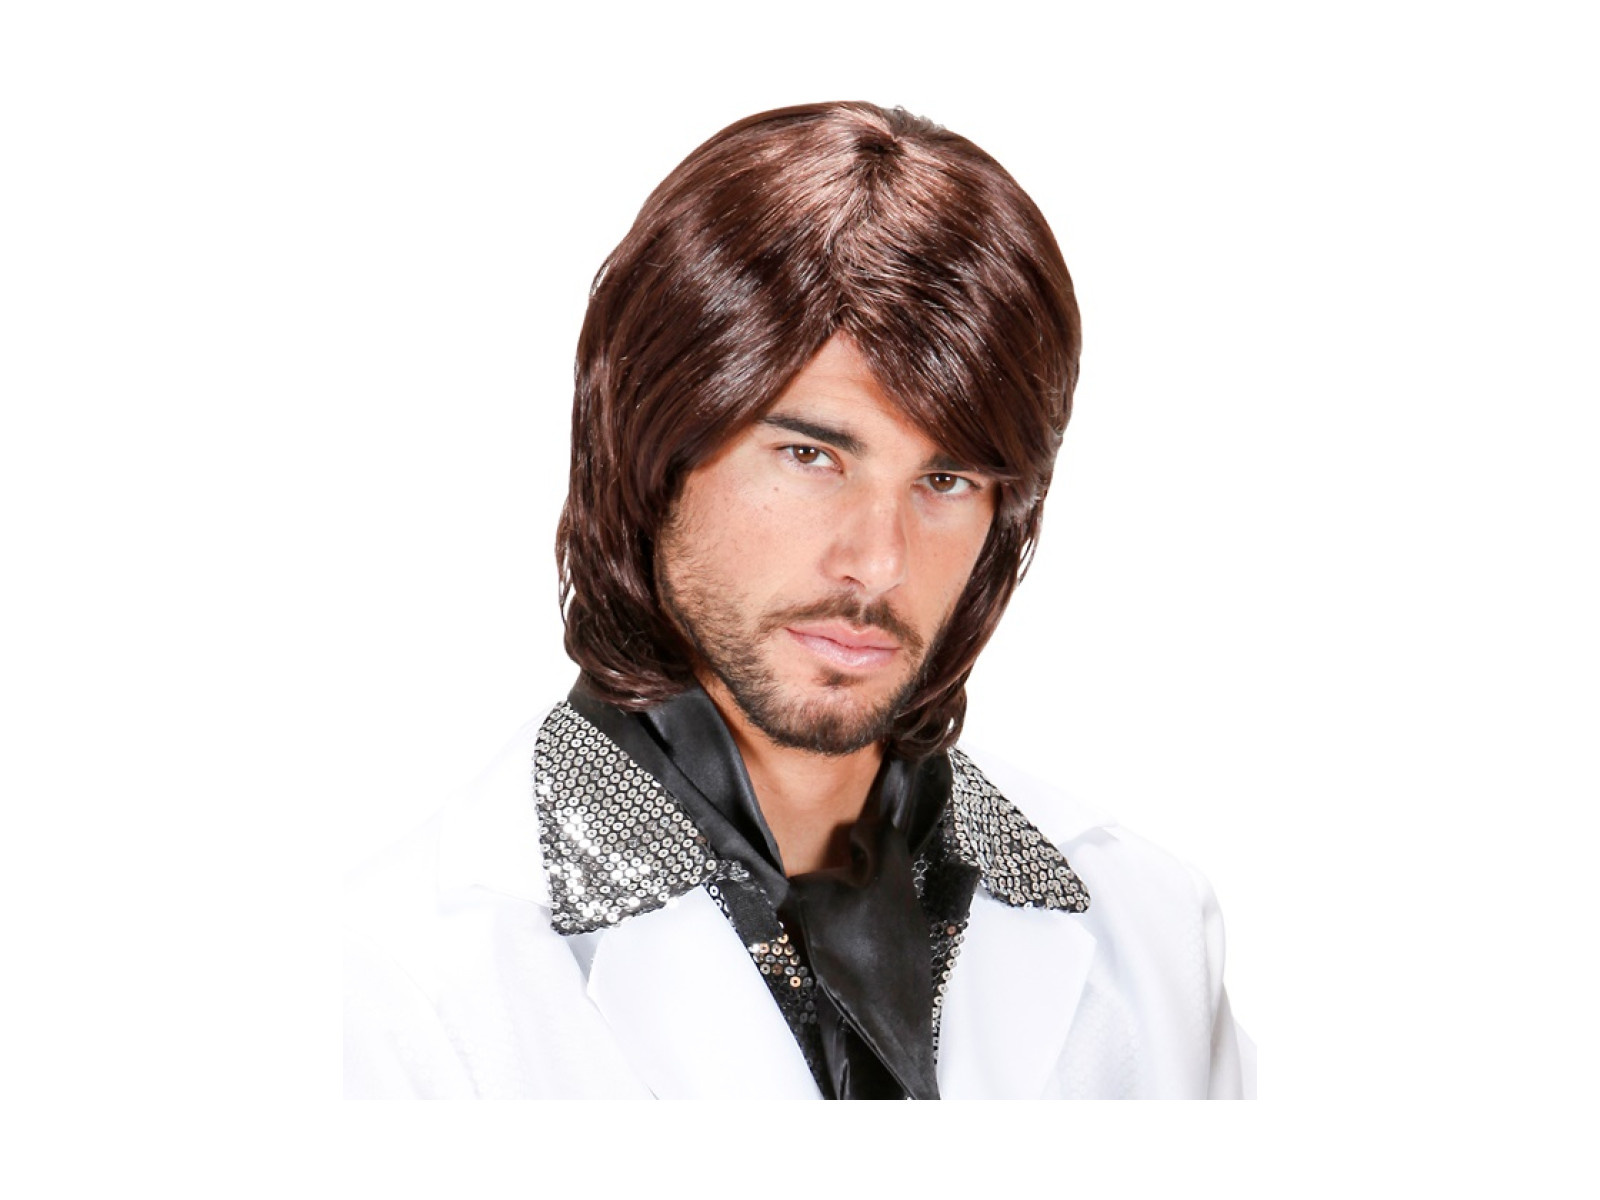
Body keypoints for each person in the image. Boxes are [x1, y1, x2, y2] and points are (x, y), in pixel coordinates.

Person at [343, 101, 1254, 1099]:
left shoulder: (1152, 936)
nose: (879, 562)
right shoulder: (396, 991)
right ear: (654, 451)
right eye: (812, 455)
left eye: (945, 480)